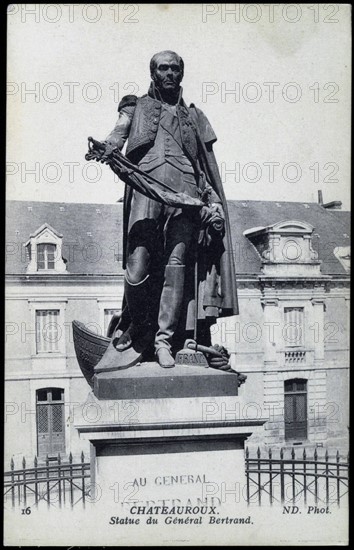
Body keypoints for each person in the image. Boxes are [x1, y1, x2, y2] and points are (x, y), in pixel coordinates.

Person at [94, 50, 238, 368]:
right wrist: (108, 146)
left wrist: (212, 201)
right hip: (146, 189)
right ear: (153, 72)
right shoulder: (136, 105)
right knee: (137, 267)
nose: (169, 73)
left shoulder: (194, 117)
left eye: (175, 68)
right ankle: (140, 326)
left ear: (181, 74)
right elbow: (118, 133)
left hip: (187, 193)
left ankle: (163, 341)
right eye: (163, 68)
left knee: (177, 268)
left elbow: (204, 168)